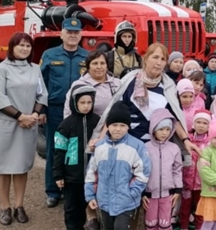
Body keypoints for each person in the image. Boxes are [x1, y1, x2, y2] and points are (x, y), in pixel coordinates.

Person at [90, 42, 199, 156]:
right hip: (128, 147)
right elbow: (114, 115)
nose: (158, 62)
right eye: (155, 57)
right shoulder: (129, 82)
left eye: (163, 59)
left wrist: (185, 140)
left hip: (158, 149)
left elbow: (174, 118)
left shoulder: (168, 87)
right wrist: (101, 139)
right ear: (146, 59)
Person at [0, 32, 48, 225]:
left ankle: (19, 205)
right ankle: (5, 207)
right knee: (3, 167)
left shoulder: (34, 69)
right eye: (20, 45)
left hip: (28, 124)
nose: (24, 49)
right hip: (6, 123)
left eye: (28, 46)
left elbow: (42, 94)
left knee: (21, 167)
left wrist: (34, 116)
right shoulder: (0, 69)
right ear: (12, 47)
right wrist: (20, 116)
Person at [40, 18, 89, 208]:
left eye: (76, 33)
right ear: (61, 34)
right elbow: (40, 85)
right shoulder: (50, 55)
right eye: (69, 32)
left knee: (76, 150)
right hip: (55, 110)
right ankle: (52, 191)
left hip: (79, 111)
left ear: (81, 35)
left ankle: (72, 190)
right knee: (55, 149)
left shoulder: (87, 57)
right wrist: (42, 109)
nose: (72, 35)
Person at [85, 101, 151, 229]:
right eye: (114, 125)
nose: (118, 129)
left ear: (128, 127)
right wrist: (90, 195)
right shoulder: (100, 147)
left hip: (126, 203)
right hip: (104, 201)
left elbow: (143, 173)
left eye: (122, 125)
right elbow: (91, 173)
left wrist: (131, 193)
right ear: (108, 126)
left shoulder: (137, 147)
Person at [53, 85, 100, 230]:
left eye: (89, 102)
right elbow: (58, 152)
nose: (86, 106)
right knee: (73, 210)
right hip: (72, 177)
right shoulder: (66, 125)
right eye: (82, 103)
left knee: (90, 205)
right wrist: (58, 174)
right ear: (74, 103)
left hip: (92, 176)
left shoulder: (97, 122)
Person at [143, 108, 183, 230]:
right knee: (150, 222)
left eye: (167, 129)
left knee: (165, 223)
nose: (164, 133)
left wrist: (177, 190)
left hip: (168, 194)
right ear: (153, 129)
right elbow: (141, 171)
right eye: (161, 129)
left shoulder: (174, 148)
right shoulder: (145, 148)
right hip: (150, 195)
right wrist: (142, 192)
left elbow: (177, 170)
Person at [180, 110, 212, 230]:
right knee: (184, 208)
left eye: (205, 123)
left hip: (202, 184)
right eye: (198, 122)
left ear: (209, 126)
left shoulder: (210, 143)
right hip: (186, 182)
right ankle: (183, 226)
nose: (201, 125)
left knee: (200, 208)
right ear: (193, 123)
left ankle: (200, 227)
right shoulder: (187, 141)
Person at [64, 50, 121, 117]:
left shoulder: (118, 83)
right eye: (95, 63)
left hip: (114, 126)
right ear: (88, 67)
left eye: (102, 63)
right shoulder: (79, 85)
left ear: (107, 66)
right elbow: (68, 111)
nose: (99, 67)